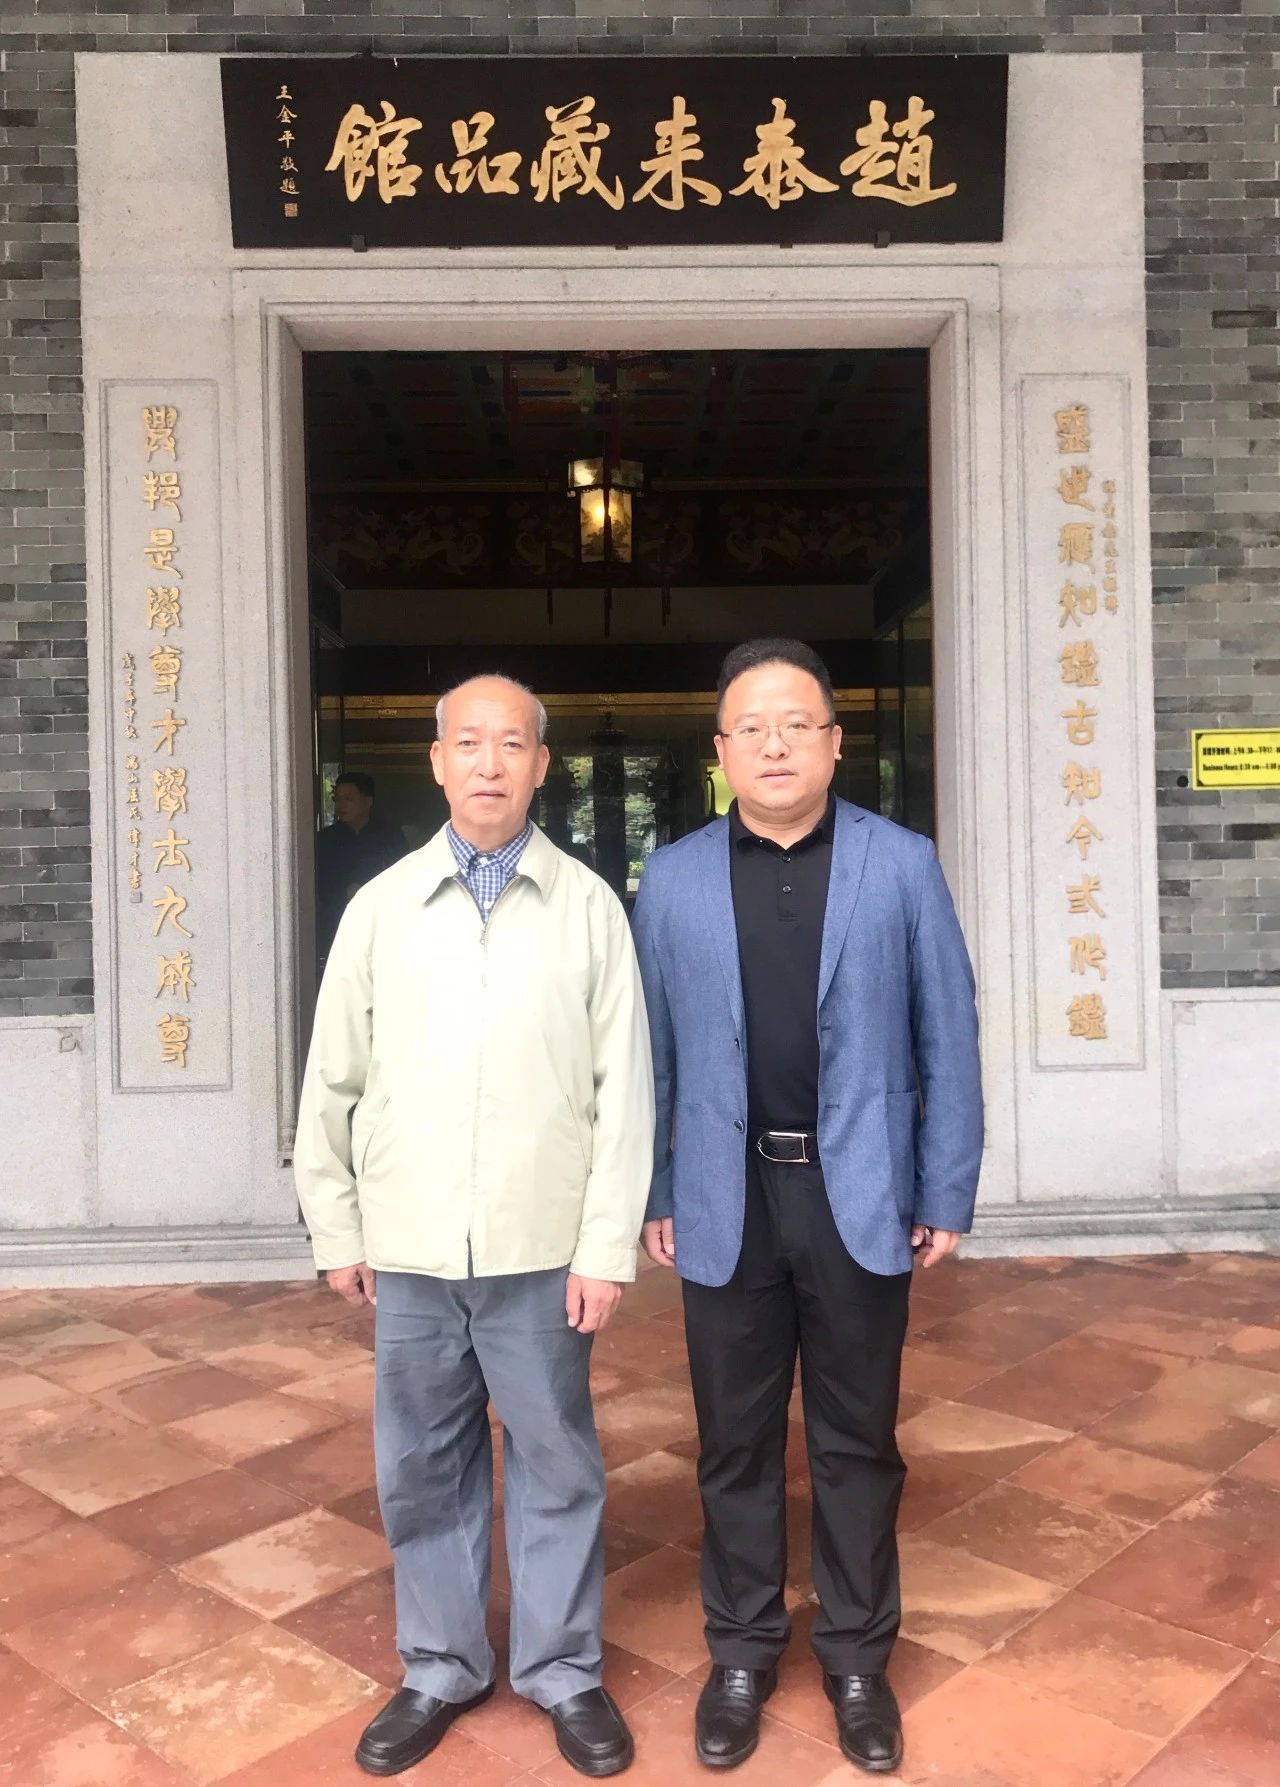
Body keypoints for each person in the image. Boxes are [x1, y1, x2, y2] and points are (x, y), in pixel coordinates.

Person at [631, 639, 982, 1777]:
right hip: (724, 1193)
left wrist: (944, 1184)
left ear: (835, 741)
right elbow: (648, 1054)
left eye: (796, 723)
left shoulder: (901, 864)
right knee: (732, 1441)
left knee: (855, 1441)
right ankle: (739, 1652)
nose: (774, 744)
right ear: (721, 750)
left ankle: (856, 1658)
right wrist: (655, 1187)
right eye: (751, 727)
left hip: (857, 1192)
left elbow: (947, 1033)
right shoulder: (672, 878)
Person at [294, 676, 655, 1780]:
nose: (489, 762)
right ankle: (441, 1664)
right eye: (469, 742)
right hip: (408, 1244)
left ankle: (562, 1668)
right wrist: (336, 1224)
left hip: (541, 1248)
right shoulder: (381, 906)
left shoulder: (587, 907)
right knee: (421, 1464)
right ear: (438, 762)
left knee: (555, 1461)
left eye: (511, 743)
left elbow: (624, 1090)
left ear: (542, 765)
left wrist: (604, 1245)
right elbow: (331, 1079)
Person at [315, 770, 408, 958]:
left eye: (348, 798)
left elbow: (404, 878)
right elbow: (318, 884)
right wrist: (344, 891)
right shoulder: (324, 840)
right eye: (337, 799)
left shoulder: (390, 837)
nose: (341, 805)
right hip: (336, 927)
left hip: (383, 926)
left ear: (367, 802)